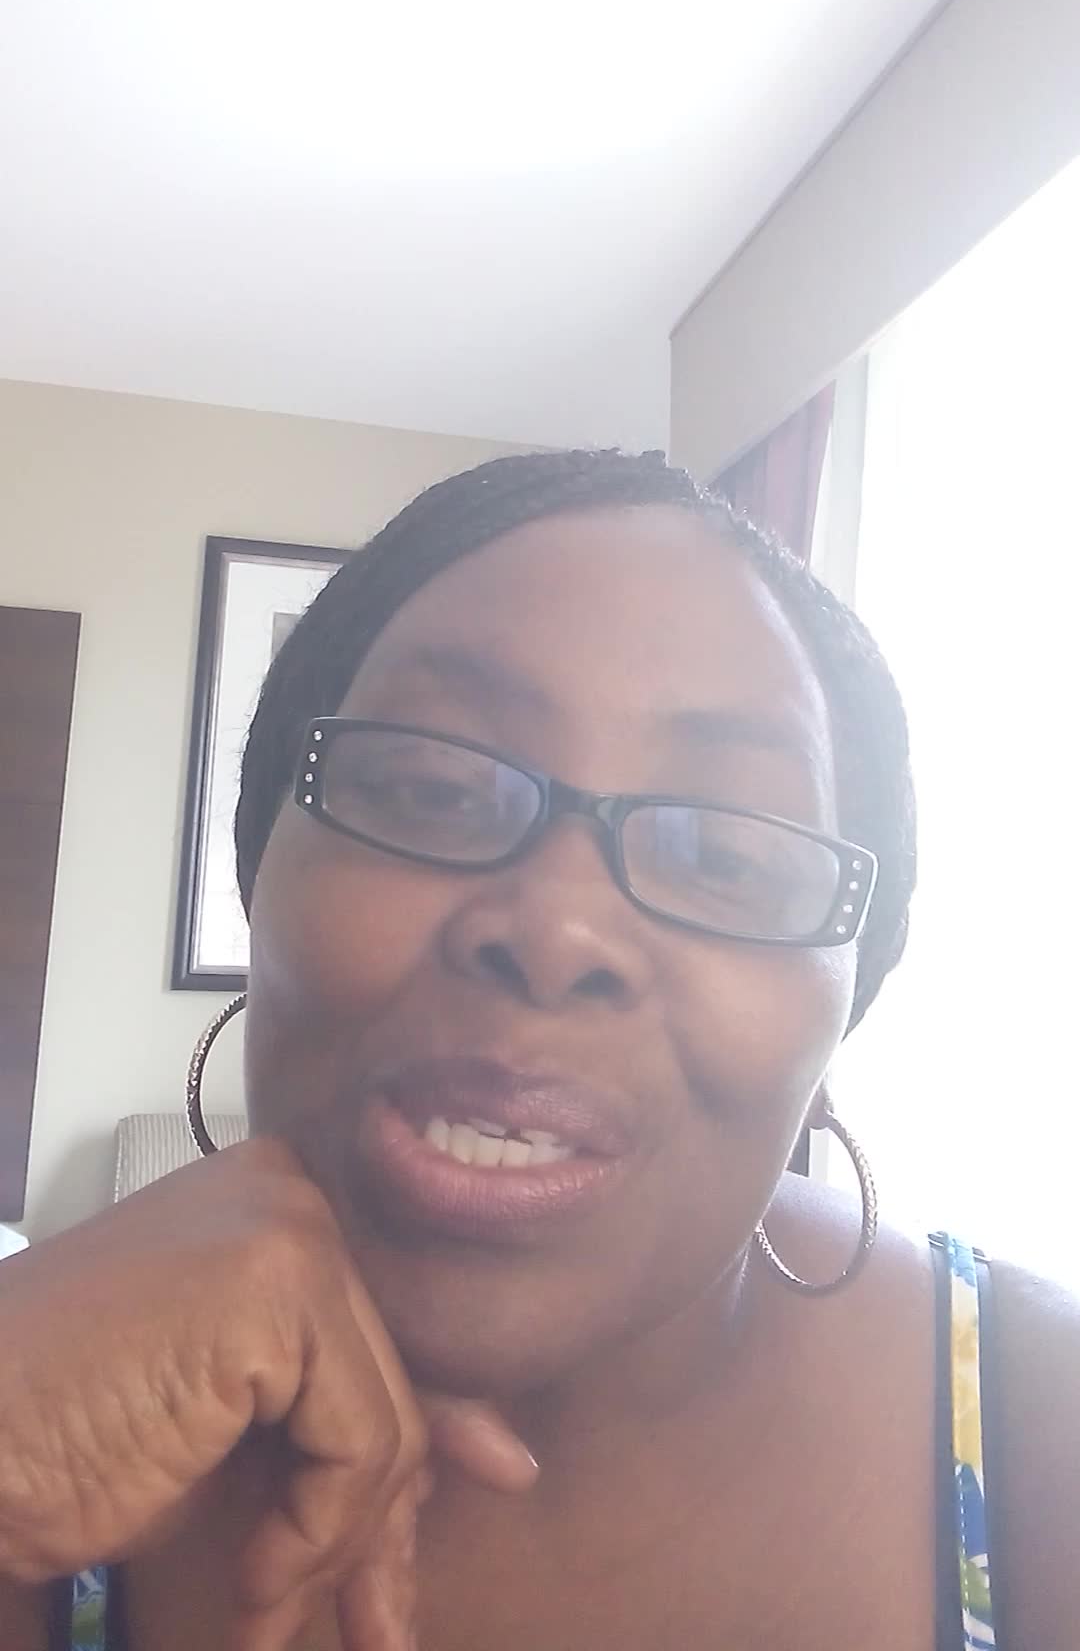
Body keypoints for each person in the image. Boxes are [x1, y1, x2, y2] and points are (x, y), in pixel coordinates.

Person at [1, 447, 1076, 1651]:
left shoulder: (1043, 1426)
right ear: (261, 873)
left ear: (845, 1007)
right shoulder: (41, 1428)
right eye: (432, 788)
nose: (557, 931)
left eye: (725, 857)